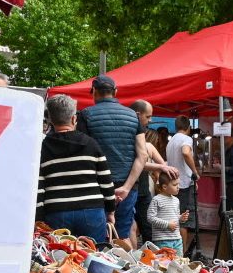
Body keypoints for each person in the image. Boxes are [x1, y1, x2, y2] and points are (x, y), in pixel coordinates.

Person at [78, 75, 150, 243]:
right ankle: (125, 269)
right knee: (122, 235)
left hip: (96, 187)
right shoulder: (133, 116)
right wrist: (126, 187)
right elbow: (143, 155)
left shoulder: (86, 115)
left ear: (94, 92)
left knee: (96, 237)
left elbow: (84, 154)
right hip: (128, 188)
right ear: (115, 92)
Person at [36, 95, 115, 243]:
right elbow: (106, 181)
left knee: (59, 259)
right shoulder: (91, 144)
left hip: (56, 211)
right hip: (92, 210)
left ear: (51, 120)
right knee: (94, 256)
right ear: (73, 118)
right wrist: (110, 210)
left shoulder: (42, 149)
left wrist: (39, 218)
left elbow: (39, 188)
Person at [129, 100, 180, 245]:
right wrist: (161, 168)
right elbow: (141, 164)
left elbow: (163, 166)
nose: (151, 120)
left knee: (146, 228)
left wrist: (170, 176)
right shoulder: (130, 143)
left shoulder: (149, 146)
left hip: (143, 190)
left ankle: (150, 258)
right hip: (131, 189)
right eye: (148, 116)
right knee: (130, 228)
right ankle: (134, 260)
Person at [165, 117, 200, 249]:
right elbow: (186, 152)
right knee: (184, 219)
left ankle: (175, 249)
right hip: (184, 183)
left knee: (175, 217)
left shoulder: (171, 141)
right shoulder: (186, 139)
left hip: (173, 183)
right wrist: (194, 171)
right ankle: (183, 251)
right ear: (188, 127)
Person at [147, 173, 188, 254]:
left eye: (178, 184)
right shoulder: (156, 199)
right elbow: (150, 217)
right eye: (175, 185)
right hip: (162, 240)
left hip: (177, 239)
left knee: (178, 263)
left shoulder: (176, 200)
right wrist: (167, 224)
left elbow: (175, 217)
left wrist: (181, 218)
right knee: (164, 264)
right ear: (164, 187)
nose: (178, 187)